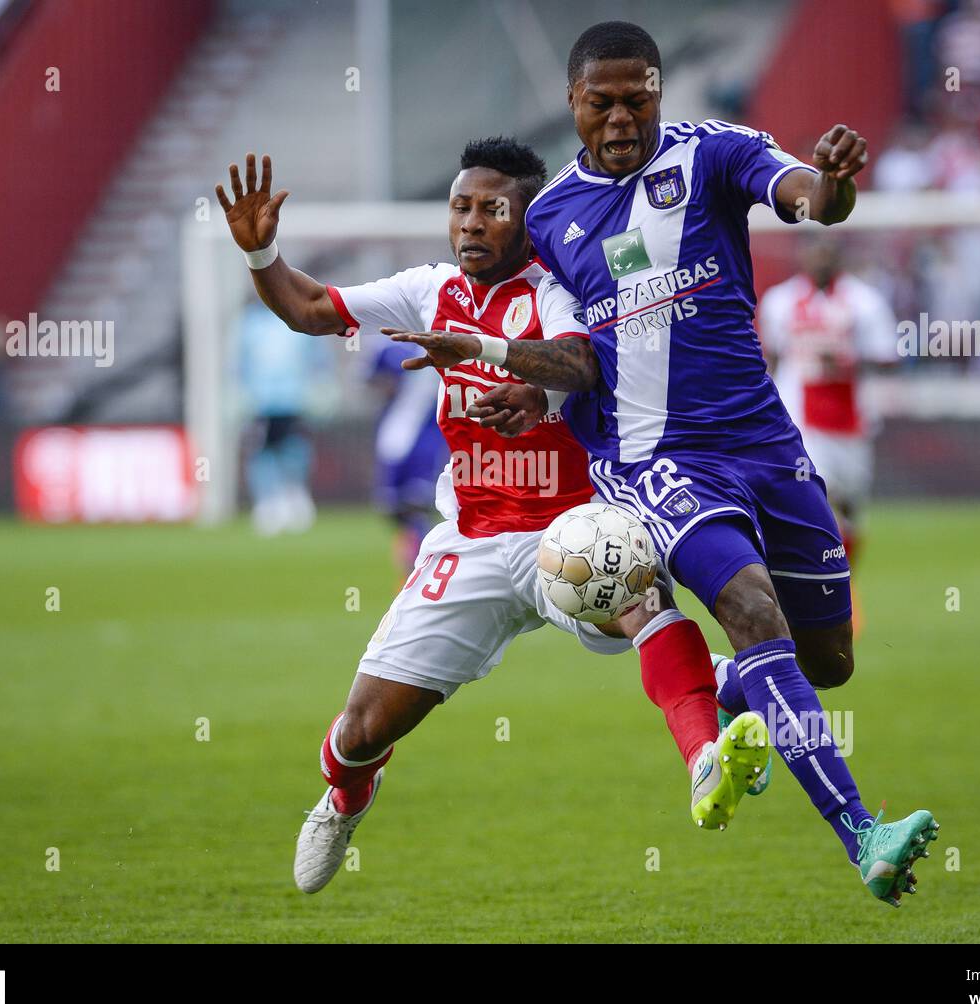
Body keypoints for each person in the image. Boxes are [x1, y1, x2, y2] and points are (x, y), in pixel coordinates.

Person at [383, 22, 938, 906]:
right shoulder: (550, 217)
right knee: (752, 610)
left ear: (659, 93)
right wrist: (531, 383)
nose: (619, 118)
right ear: (572, 104)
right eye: (600, 102)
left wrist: (830, 187)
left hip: (766, 445)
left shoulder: (715, 153)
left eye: (637, 97)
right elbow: (561, 335)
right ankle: (865, 834)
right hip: (654, 462)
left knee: (827, 659)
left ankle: (731, 700)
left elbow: (804, 194)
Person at [215, 138, 771, 896]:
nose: (471, 224)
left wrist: (508, 369)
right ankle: (346, 796)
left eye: (491, 209)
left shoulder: (556, 289)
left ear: (526, 220)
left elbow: (577, 363)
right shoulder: (429, 288)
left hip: (568, 526)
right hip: (470, 540)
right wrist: (262, 254)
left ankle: (706, 756)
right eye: (461, 208)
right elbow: (312, 308)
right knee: (360, 732)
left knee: (639, 599)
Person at [759, 236, 898, 570]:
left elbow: (888, 356)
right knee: (822, 498)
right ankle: (823, 582)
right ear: (802, 256)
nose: (820, 260)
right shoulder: (780, 301)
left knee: (850, 506)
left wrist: (847, 361)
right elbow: (772, 358)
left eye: (827, 254)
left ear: (839, 256)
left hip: (850, 416)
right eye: (814, 253)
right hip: (800, 416)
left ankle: (846, 580)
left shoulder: (864, 301)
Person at [237, 298, 328, 534]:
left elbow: (318, 358)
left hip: (293, 398)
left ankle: (295, 495)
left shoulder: (296, 320)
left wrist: (321, 386)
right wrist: (238, 395)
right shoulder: (250, 323)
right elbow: (239, 362)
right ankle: (269, 502)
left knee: (295, 449)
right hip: (261, 401)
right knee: (262, 451)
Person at [367, 338, 448, 574]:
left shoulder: (446, 339)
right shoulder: (387, 345)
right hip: (394, 436)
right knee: (392, 507)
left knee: (417, 504)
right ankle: (419, 561)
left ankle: (423, 565)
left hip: (427, 438)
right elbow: (370, 379)